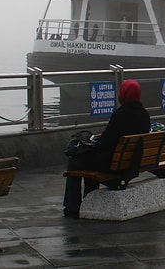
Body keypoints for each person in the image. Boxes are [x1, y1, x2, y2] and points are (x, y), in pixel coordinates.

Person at [63, 79, 151, 218]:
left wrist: (94, 141)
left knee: (75, 160)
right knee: (90, 161)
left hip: (112, 164)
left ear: (123, 94)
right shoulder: (144, 115)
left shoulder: (120, 114)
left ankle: (72, 206)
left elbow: (105, 142)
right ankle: (89, 201)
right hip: (130, 163)